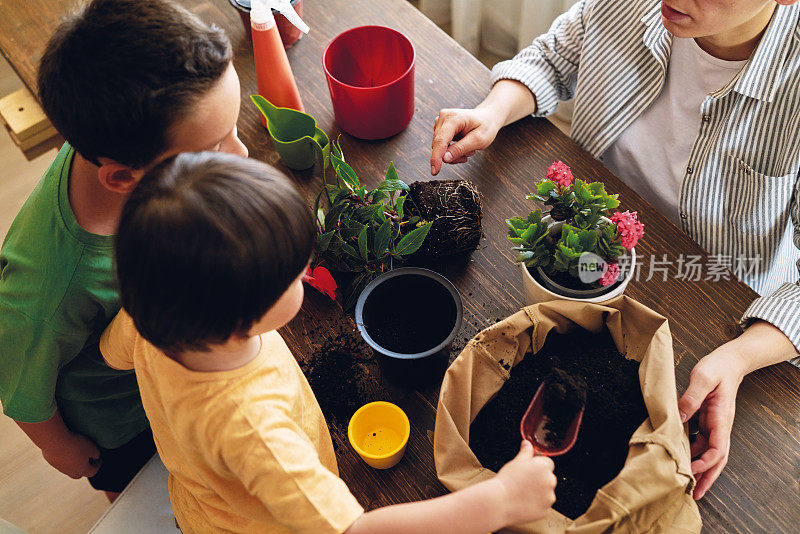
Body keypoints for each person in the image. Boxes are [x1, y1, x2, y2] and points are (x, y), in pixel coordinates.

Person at [429, 0, 800, 500]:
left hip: (703, 298)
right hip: (582, 246)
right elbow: (554, 57)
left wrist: (737, 358)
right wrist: (492, 111)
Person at [99, 151, 557, 534]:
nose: (307, 272)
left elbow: (109, 353)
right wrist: (500, 500)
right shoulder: (254, 430)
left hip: (202, 500)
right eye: (296, 273)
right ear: (244, 312)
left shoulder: (154, 310)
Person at [0, 0, 247, 501]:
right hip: (115, 421)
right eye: (216, 147)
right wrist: (59, 448)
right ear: (121, 177)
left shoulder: (124, 146)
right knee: (138, 494)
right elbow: (20, 387)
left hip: (160, 372)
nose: (240, 154)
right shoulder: (50, 288)